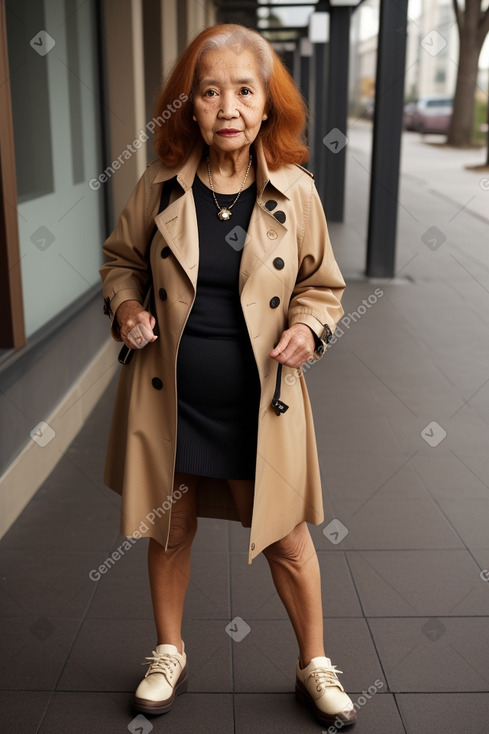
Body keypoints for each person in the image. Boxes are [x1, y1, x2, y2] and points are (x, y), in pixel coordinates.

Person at [99, 23, 355, 728]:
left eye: (244, 90)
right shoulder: (158, 187)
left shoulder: (294, 192)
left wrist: (307, 327)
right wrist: (125, 308)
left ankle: (314, 663)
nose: (228, 108)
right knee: (169, 529)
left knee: (287, 539)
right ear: (190, 104)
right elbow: (120, 261)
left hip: (259, 404)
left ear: (267, 103)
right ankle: (169, 650)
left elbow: (322, 285)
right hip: (171, 401)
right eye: (210, 92)